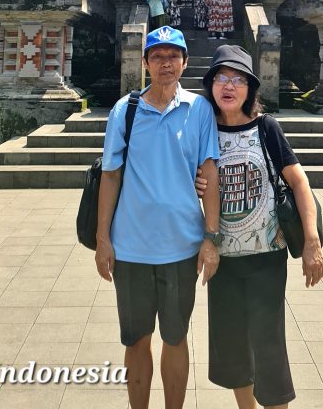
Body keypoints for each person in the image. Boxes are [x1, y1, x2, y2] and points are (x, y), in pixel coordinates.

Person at [96, 27, 222, 409]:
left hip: (182, 246)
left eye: (173, 56)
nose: (166, 63)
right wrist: (102, 239)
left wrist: (211, 238)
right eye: (158, 56)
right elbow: (110, 175)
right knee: (136, 339)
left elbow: (210, 172)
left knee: (175, 337)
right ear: (145, 63)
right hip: (131, 247)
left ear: (184, 62)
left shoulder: (199, 109)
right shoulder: (125, 110)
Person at [197, 44, 323, 409]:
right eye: (222, 77)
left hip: (267, 257)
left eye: (238, 80)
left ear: (250, 88)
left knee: (268, 345)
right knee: (233, 347)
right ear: (211, 85)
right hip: (223, 259)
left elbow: (299, 182)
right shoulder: (202, 133)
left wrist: (312, 242)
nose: (229, 86)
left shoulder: (266, 128)